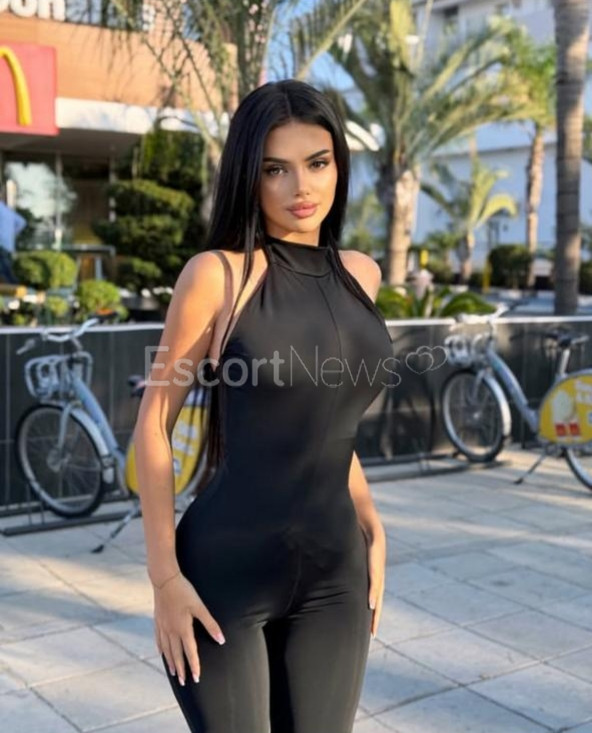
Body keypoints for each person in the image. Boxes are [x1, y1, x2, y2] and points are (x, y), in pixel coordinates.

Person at [133, 78, 394, 733]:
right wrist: (164, 578)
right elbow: (154, 425)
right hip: (224, 574)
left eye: (317, 162)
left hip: (336, 570)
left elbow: (326, 420)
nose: (300, 187)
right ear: (248, 176)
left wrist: (371, 520)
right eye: (275, 169)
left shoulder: (361, 275)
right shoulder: (216, 276)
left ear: (339, 164)